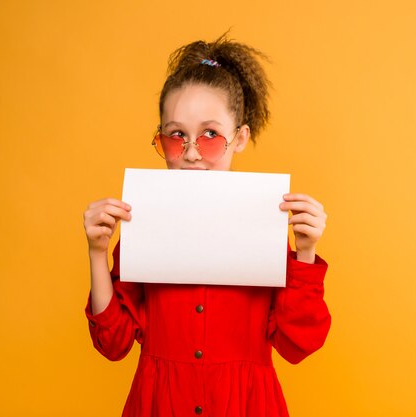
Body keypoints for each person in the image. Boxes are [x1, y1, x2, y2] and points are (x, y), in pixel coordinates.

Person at [83, 33, 331, 417]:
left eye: (211, 135)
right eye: (176, 135)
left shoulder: (265, 229)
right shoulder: (141, 223)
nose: (192, 153)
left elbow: (299, 344)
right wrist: (98, 254)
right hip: (160, 403)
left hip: (247, 404)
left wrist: (305, 252)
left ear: (240, 138)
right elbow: (113, 344)